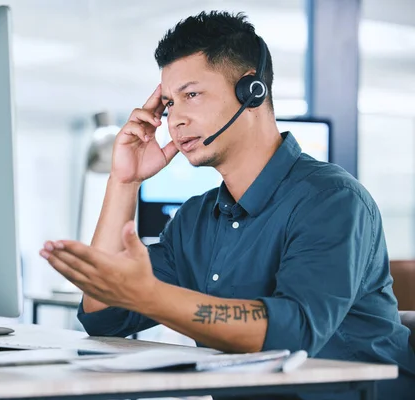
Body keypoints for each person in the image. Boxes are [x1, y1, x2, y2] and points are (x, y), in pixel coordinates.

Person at [39, 10, 415, 399]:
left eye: (191, 95)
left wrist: (152, 295)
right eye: (169, 104)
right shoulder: (196, 219)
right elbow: (105, 317)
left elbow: (296, 330)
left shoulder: (331, 200)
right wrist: (124, 181)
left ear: (252, 91)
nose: (175, 120)